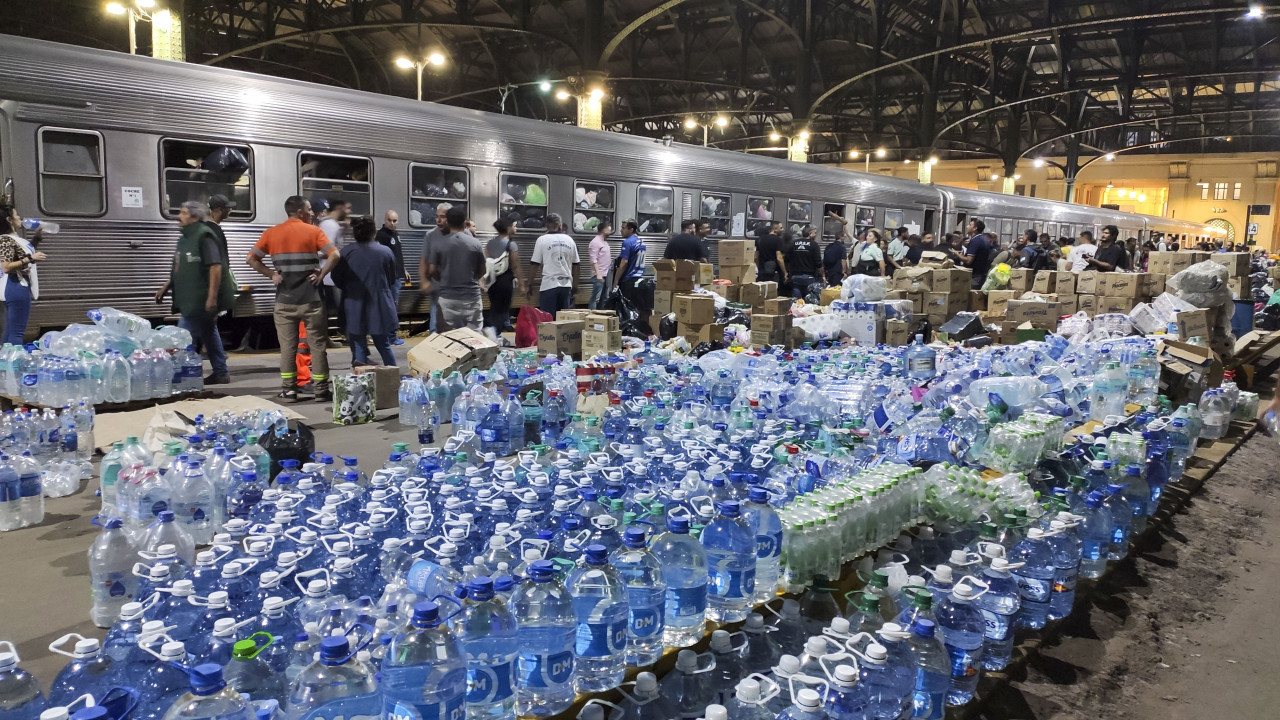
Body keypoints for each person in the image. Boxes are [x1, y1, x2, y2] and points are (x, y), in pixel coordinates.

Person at [246, 195, 339, 402]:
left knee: (288, 348)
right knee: (317, 346)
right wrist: (322, 274)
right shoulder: (314, 231)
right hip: (312, 300)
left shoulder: (271, 233)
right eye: (309, 209)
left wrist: (272, 274)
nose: (312, 213)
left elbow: (251, 258)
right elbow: (335, 255)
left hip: (285, 302)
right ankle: (321, 390)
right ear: (300, 212)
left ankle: (289, 390)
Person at [154, 201, 232, 384]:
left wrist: (212, 298)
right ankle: (221, 372)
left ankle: (179, 377)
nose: (178, 217)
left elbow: (215, 267)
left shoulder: (205, 236)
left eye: (183, 213)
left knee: (181, 336)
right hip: (190, 297)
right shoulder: (185, 237)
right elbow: (180, 266)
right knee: (209, 332)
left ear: (195, 217)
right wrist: (167, 286)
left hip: (200, 298)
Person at [332, 216, 398, 367]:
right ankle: (394, 379)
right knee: (384, 346)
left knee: (359, 347)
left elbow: (336, 278)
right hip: (379, 305)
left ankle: (361, 385)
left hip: (353, 305)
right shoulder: (385, 252)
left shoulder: (346, 252)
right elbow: (391, 279)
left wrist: (351, 289)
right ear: (374, 232)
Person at [427, 207, 486, 331]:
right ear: (464, 223)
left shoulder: (439, 244)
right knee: (475, 336)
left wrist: (443, 278)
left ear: (447, 222)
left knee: (447, 339)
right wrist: (473, 278)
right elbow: (482, 271)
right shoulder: (475, 244)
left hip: (447, 298)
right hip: (472, 297)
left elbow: (432, 270)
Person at [0, 204, 46, 347]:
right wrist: (30, 259)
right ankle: (15, 366)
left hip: (13, 286)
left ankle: (5, 365)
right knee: (17, 332)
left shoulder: (11, 239)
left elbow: (22, 253)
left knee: (10, 331)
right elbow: (5, 266)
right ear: (9, 219)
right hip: (16, 286)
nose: (19, 217)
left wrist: (36, 239)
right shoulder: (6, 240)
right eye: (16, 215)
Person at [528, 213, 581, 315]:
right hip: (566, 286)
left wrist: (529, 284)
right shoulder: (570, 240)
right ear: (560, 225)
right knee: (563, 319)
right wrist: (575, 285)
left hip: (548, 285)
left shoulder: (542, 240)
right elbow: (577, 265)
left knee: (548, 320)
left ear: (547, 225)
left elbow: (534, 264)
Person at [317, 199, 350, 341]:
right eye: (346, 208)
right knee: (342, 309)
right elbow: (327, 250)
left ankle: (326, 338)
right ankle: (350, 337)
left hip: (328, 274)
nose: (349, 212)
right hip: (329, 275)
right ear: (339, 208)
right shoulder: (329, 225)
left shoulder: (331, 224)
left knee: (325, 311)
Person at [484, 219, 522, 339]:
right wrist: (521, 283)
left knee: (494, 307)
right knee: (503, 310)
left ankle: (496, 335)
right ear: (508, 228)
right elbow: (515, 265)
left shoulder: (490, 243)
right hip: (505, 281)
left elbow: (486, 260)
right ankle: (493, 331)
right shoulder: (511, 244)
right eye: (514, 226)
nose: (516, 228)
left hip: (492, 282)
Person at [417, 202, 452, 333]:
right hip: (437, 286)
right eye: (437, 216)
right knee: (435, 325)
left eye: (442, 216)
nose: (438, 220)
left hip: (457, 288)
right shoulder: (430, 235)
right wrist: (423, 280)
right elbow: (424, 260)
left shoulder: (463, 233)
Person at [613, 219, 652, 330]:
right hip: (639, 280)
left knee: (627, 310)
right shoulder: (641, 242)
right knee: (639, 308)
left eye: (624, 228)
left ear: (631, 229)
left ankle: (629, 330)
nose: (621, 230)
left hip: (628, 281)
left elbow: (624, 263)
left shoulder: (627, 242)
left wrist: (616, 280)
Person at [375, 210, 411, 306]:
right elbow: (379, 257)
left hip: (397, 276)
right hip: (388, 277)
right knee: (390, 303)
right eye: (389, 220)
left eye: (394, 221)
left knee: (394, 301)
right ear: (385, 220)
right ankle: (390, 321)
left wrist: (404, 269)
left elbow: (398, 254)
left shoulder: (396, 234)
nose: (392, 223)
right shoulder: (381, 235)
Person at [785, 223, 823, 299]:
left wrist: (787, 272)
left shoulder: (793, 243)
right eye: (814, 233)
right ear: (810, 234)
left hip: (795, 277)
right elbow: (818, 262)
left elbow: (786, 259)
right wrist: (822, 275)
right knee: (810, 300)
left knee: (796, 301)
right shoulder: (814, 245)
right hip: (809, 277)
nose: (815, 235)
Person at [961, 218, 993, 288]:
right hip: (981, 275)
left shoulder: (975, 240)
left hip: (974, 276)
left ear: (975, 228)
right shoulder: (983, 239)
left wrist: (958, 254)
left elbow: (969, 260)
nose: (967, 226)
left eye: (970, 225)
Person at [588, 223, 612, 310]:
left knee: (604, 298)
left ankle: (600, 316)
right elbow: (593, 260)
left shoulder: (604, 242)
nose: (610, 231)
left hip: (606, 274)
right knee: (596, 298)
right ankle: (592, 316)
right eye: (608, 229)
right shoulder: (595, 242)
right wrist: (598, 274)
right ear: (603, 230)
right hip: (599, 274)